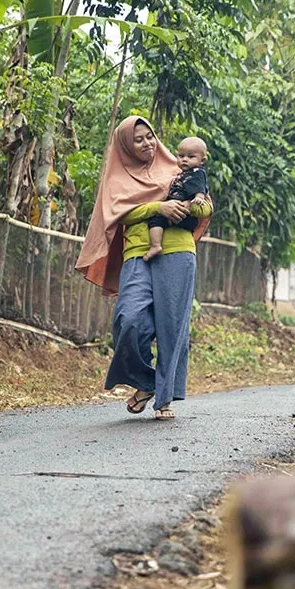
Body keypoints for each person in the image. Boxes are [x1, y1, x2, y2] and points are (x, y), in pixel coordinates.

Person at [75, 117, 212, 421]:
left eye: (150, 136)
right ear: (126, 144)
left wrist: (192, 206)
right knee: (130, 319)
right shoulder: (116, 179)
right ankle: (148, 382)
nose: (147, 143)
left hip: (178, 253)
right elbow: (117, 215)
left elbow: (205, 207)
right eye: (138, 139)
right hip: (138, 254)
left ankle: (164, 399)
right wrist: (158, 208)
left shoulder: (178, 170)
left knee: (172, 326)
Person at [144, 137, 209, 262]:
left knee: (156, 220)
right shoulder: (182, 173)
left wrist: (198, 198)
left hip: (183, 214)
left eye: (191, 157)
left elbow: (201, 187)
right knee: (160, 220)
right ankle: (156, 244)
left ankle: (155, 245)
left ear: (203, 160)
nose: (184, 159)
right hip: (180, 213)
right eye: (181, 156)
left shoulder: (197, 172)